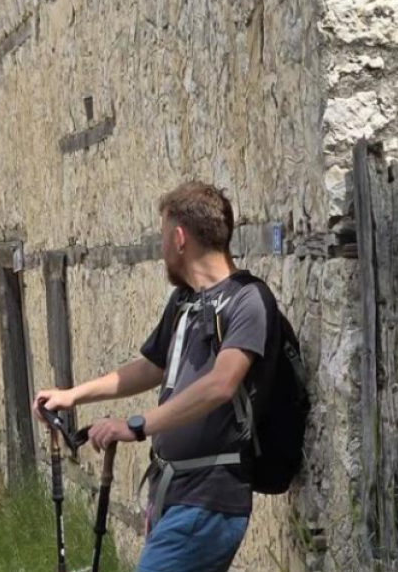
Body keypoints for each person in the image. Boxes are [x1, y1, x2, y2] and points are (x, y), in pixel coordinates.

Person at [34, 181, 280, 572]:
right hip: (175, 494)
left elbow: (221, 384)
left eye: (162, 235)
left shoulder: (249, 300)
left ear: (179, 238)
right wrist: (72, 396)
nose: (160, 247)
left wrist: (136, 425)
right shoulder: (184, 301)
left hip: (209, 497)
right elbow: (151, 366)